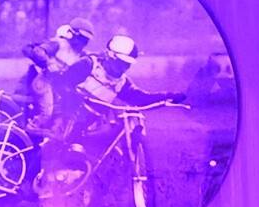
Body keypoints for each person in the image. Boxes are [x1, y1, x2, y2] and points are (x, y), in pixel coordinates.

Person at [52, 35, 184, 139]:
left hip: (93, 126)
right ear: (110, 56)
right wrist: (72, 96)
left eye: (127, 64)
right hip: (65, 119)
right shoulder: (88, 65)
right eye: (121, 62)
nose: (124, 67)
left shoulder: (121, 82)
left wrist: (168, 96)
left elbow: (140, 98)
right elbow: (61, 83)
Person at [21, 18, 95, 128]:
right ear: (72, 35)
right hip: (44, 81)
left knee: (64, 111)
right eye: (81, 39)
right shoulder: (59, 44)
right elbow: (38, 51)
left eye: (86, 41)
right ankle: (30, 129)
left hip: (56, 86)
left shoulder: (80, 54)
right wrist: (48, 63)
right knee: (47, 113)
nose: (82, 43)